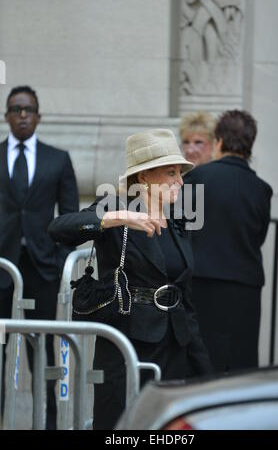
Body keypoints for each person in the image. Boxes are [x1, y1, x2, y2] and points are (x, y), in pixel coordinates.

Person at [49, 128, 213, 430]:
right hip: (127, 342)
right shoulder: (114, 208)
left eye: (180, 173)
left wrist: (203, 366)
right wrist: (120, 217)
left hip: (175, 342)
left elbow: (184, 293)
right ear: (146, 176)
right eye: (171, 172)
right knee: (121, 426)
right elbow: (59, 228)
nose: (180, 180)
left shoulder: (177, 220)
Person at [0, 86, 79, 429]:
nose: (22, 115)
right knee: (1, 347)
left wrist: (62, 260)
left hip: (43, 267)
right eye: (16, 109)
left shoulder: (57, 159)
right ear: (6, 116)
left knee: (42, 346)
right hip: (2, 267)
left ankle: (45, 421)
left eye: (28, 109)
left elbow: (71, 215)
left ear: (39, 116)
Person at [183, 110, 273, 373]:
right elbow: (260, 236)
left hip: (201, 286)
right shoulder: (262, 189)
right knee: (240, 367)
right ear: (250, 145)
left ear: (219, 141)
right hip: (246, 290)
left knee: (201, 364)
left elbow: (182, 229)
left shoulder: (197, 179)